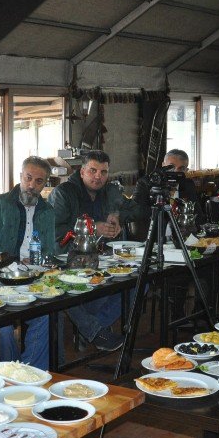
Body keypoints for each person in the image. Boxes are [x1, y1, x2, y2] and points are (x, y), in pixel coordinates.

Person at [49, 150, 139, 350]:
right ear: (82, 172)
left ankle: (90, 326)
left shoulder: (110, 190)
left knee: (141, 281)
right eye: (93, 170)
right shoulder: (63, 193)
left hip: (103, 257)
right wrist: (91, 227)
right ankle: (93, 331)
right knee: (63, 289)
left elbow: (136, 209)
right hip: (68, 258)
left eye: (103, 172)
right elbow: (54, 229)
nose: (98, 176)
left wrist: (118, 218)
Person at [0, 156, 55, 368]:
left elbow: (49, 250)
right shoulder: (1, 204)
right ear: (21, 177)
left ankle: (28, 370)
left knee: (46, 316)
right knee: (4, 326)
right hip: (2, 276)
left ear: (45, 184)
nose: (32, 185)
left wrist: (37, 263)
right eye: (28, 178)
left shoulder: (47, 211)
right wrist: (15, 260)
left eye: (39, 181)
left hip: (34, 276)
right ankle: (10, 370)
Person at [133, 149, 205, 226]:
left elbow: (198, 214)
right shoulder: (145, 183)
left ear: (186, 171)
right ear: (163, 165)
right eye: (171, 167)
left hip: (182, 230)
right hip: (153, 229)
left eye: (181, 169)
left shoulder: (188, 184)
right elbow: (137, 211)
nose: (175, 172)